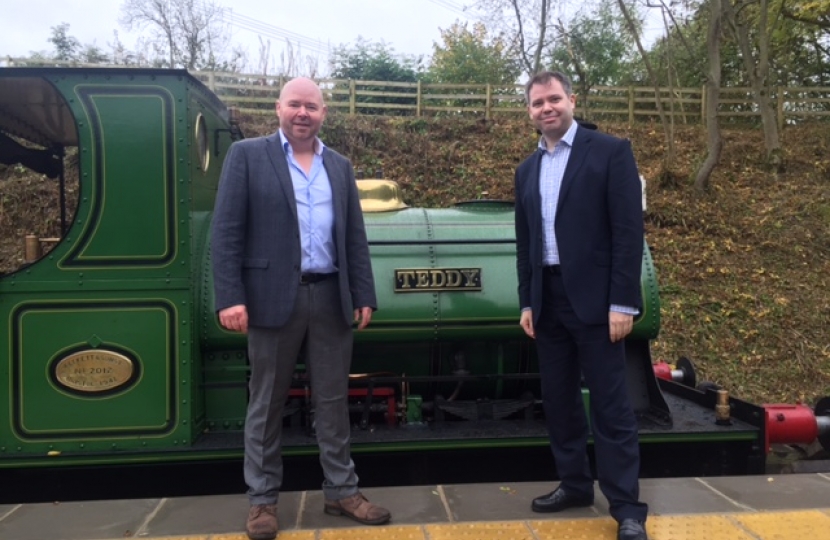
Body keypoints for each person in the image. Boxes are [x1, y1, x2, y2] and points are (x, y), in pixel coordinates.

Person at [211, 77, 391, 540]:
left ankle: (341, 491)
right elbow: (226, 231)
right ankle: (263, 502)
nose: (303, 113)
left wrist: (363, 292)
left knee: (333, 400)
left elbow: (354, 236)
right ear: (279, 108)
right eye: (295, 104)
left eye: (311, 106)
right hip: (271, 299)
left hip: (331, 297)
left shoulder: (340, 166)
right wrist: (230, 296)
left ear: (323, 112)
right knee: (266, 402)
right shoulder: (248, 156)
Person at [513, 71, 649, 540]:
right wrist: (527, 300)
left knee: (611, 407)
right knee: (560, 402)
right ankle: (574, 484)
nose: (546, 108)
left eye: (554, 99)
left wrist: (623, 302)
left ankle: (627, 506)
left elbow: (629, 234)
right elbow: (525, 242)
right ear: (529, 111)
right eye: (537, 103)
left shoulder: (611, 152)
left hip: (596, 302)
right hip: (547, 301)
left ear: (571, 100)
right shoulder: (526, 170)